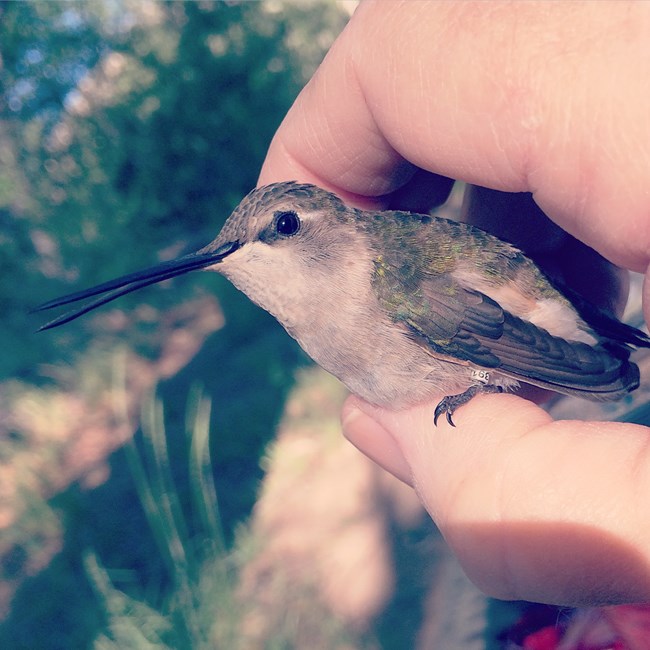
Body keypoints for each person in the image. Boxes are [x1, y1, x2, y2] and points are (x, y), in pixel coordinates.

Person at [258, 1, 650, 607]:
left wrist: (585, 362)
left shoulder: (379, 283)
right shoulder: (358, 276)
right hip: (490, 287)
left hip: (504, 308)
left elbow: (481, 321)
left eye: (280, 227)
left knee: (573, 334)